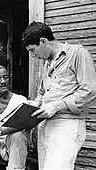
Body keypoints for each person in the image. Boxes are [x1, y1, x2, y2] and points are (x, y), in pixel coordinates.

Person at [21, 21, 96, 170]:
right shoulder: (47, 63)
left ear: (43, 41)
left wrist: (56, 105)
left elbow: (90, 91)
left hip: (66, 125)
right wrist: (36, 103)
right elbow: (42, 93)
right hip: (45, 125)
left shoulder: (77, 53)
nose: (33, 55)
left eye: (32, 50)